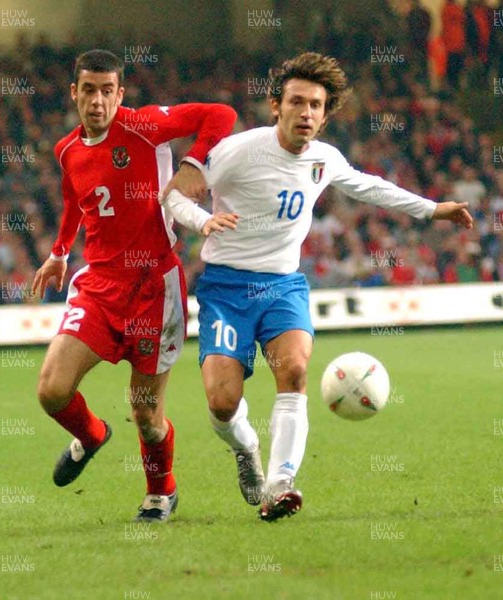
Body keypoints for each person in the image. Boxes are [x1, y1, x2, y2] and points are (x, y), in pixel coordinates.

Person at [162, 52, 473, 522]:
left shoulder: (325, 160)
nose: (306, 113)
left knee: (295, 372)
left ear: (326, 115)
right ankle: (246, 448)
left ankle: (280, 483)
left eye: (316, 106)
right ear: (276, 106)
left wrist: (433, 209)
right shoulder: (237, 151)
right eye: (297, 102)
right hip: (225, 288)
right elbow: (173, 195)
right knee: (222, 403)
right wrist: (203, 220)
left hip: (284, 286)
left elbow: (369, 187)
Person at [31, 49, 237, 522]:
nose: (98, 101)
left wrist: (193, 163)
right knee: (51, 391)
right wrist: (60, 251)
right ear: (74, 94)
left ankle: (160, 492)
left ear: (120, 94)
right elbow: (72, 197)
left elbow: (220, 115)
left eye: (107, 91)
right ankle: (90, 435)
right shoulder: (66, 150)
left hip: (153, 289)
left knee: (145, 415)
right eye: (89, 90)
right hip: (100, 285)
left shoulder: (143, 125)